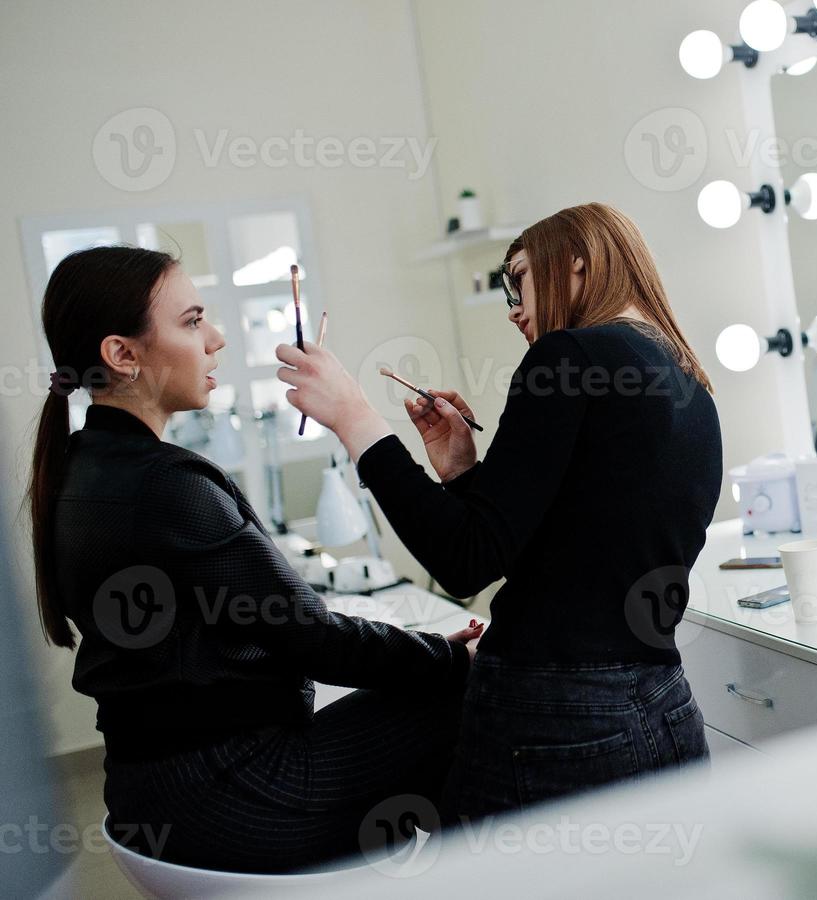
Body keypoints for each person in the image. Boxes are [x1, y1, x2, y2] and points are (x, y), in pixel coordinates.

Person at [26, 245, 481, 873]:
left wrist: (433, 655)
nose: (216, 339)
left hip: (149, 792)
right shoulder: (169, 485)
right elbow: (314, 638)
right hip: (231, 795)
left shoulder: (82, 467)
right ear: (121, 354)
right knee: (488, 692)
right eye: (190, 322)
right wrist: (451, 656)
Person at [278, 203, 723, 822]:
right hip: (663, 705)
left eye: (520, 278)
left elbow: (463, 563)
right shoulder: (688, 381)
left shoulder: (566, 357)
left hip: (557, 718)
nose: (514, 307)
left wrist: (356, 420)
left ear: (578, 262)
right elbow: (555, 543)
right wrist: (462, 471)